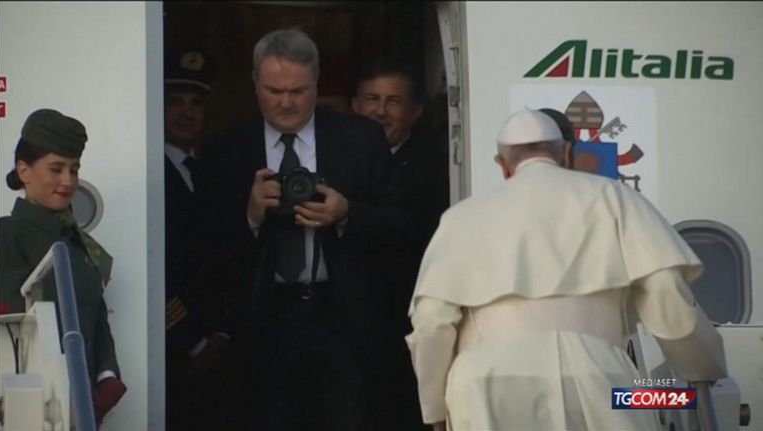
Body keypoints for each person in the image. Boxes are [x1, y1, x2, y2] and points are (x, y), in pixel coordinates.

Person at [405, 109, 727, 430]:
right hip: (596, 374)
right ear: (568, 154)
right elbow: (666, 292)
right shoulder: (614, 197)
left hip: (485, 385)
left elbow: (431, 323)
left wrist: (435, 411)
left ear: (503, 165)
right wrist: (701, 367)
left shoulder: (461, 218)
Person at [197, 28, 409, 431]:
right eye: (274, 91)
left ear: (317, 83)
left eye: (298, 91)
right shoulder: (226, 151)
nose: (286, 102)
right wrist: (250, 216)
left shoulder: (360, 140)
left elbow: (402, 226)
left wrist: (347, 214)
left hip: (342, 322)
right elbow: (203, 247)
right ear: (254, 83)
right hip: (262, 325)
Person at [0, 109, 128, 427]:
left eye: (74, 169)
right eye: (56, 169)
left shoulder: (77, 244)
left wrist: (107, 375)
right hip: (26, 407)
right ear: (24, 171)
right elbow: (10, 327)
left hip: (80, 403)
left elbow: (95, 314)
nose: (68, 181)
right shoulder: (4, 236)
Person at [352, 61, 448, 431]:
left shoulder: (436, 167)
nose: (380, 110)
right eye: (371, 99)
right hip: (348, 323)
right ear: (355, 105)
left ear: (416, 111)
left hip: (408, 315)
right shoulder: (335, 159)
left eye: (393, 101)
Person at [162, 48, 235, 430]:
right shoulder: (151, 175)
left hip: (218, 348)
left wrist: (221, 333)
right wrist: (193, 342)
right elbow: (154, 270)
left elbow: (224, 259)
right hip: (171, 348)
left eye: (196, 103)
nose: (186, 113)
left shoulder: (211, 172)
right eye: (175, 102)